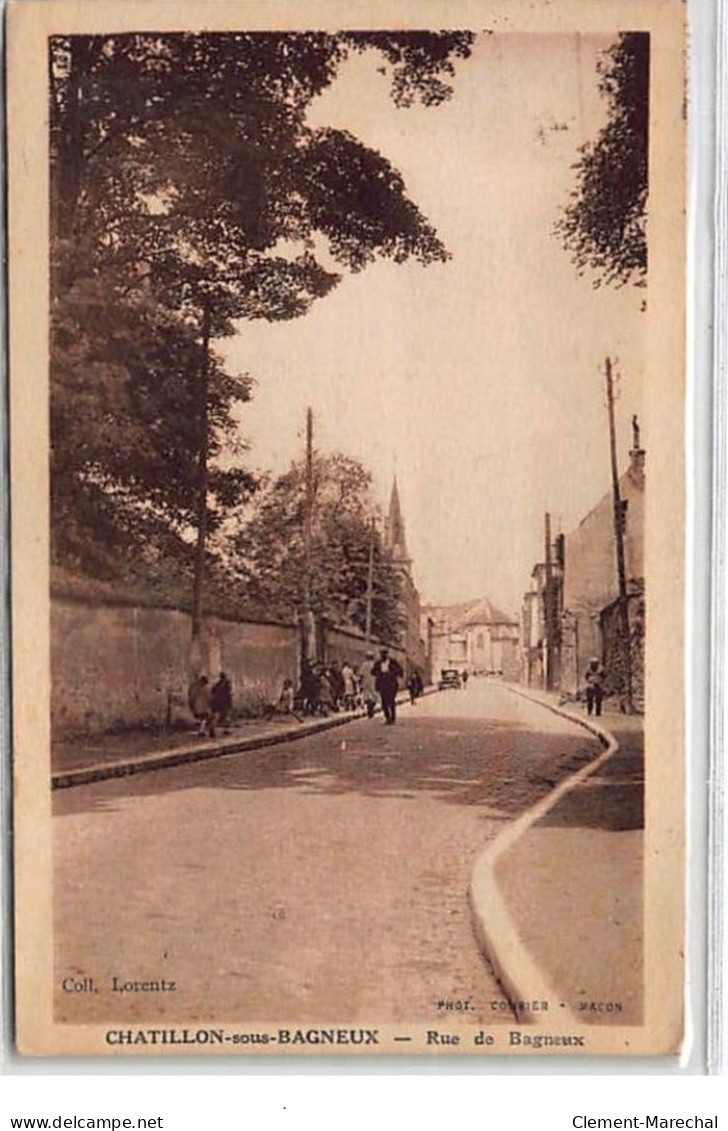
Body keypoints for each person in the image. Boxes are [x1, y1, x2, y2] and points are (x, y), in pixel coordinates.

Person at [373, 647, 404, 725]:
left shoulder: (392, 662)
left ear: (387, 654)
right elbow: (373, 671)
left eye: (384, 653)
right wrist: (380, 674)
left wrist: (391, 673)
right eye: (381, 654)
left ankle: (392, 717)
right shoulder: (378, 663)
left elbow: (400, 670)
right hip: (382, 684)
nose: (383, 655)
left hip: (391, 684)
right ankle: (387, 717)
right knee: (384, 702)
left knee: (391, 700)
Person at [358, 651, 378, 718]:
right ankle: (371, 709)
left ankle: (370, 709)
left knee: (368, 698)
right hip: (373, 682)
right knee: (373, 697)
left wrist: (360, 682)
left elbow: (361, 674)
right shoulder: (375, 664)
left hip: (366, 682)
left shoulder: (364, 665)